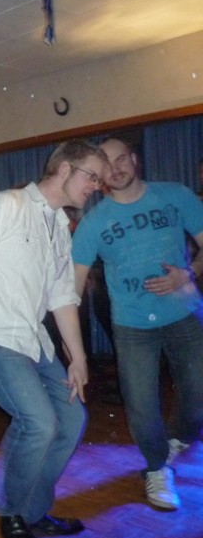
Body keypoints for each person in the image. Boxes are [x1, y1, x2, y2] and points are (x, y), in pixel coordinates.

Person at [0, 140, 106, 538]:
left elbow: (62, 298)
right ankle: (9, 511)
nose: (96, 186)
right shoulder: (4, 205)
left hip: (33, 341)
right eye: (92, 176)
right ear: (65, 169)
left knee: (71, 420)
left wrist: (78, 357)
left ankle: (32, 511)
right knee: (38, 422)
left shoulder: (59, 227)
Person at [73, 137, 203, 511]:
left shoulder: (174, 196)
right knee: (142, 405)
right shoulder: (93, 224)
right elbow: (72, 288)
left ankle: (177, 439)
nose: (115, 169)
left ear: (134, 159)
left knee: (198, 393)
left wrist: (188, 273)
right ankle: (157, 468)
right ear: (99, 175)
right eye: (106, 164)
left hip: (185, 314)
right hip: (132, 326)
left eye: (121, 159)